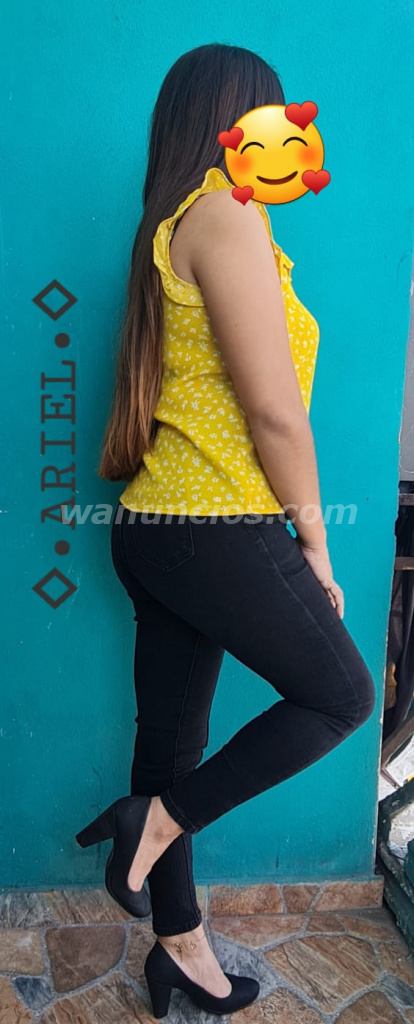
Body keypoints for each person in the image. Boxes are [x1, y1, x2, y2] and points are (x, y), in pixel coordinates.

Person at [75, 43, 376, 1020]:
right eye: (275, 119)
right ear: (238, 121)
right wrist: (315, 545)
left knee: (169, 744)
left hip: (158, 529)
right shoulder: (225, 213)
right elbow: (275, 412)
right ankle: (154, 822)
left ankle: (179, 948)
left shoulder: (175, 223)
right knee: (341, 694)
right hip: (212, 525)